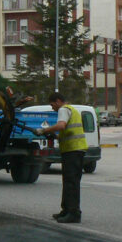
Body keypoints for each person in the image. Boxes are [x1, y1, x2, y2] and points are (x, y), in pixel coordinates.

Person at [35, 91, 88, 223]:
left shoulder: (63, 109)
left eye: (52, 105)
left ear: (58, 101)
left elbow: (61, 125)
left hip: (73, 150)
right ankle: (66, 210)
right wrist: (57, 137)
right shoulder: (72, 110)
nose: (52, 108)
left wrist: (44, 130)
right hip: (74, 150)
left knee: (71, 182)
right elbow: (68, 130)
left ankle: (74, 213)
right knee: (68, 181)